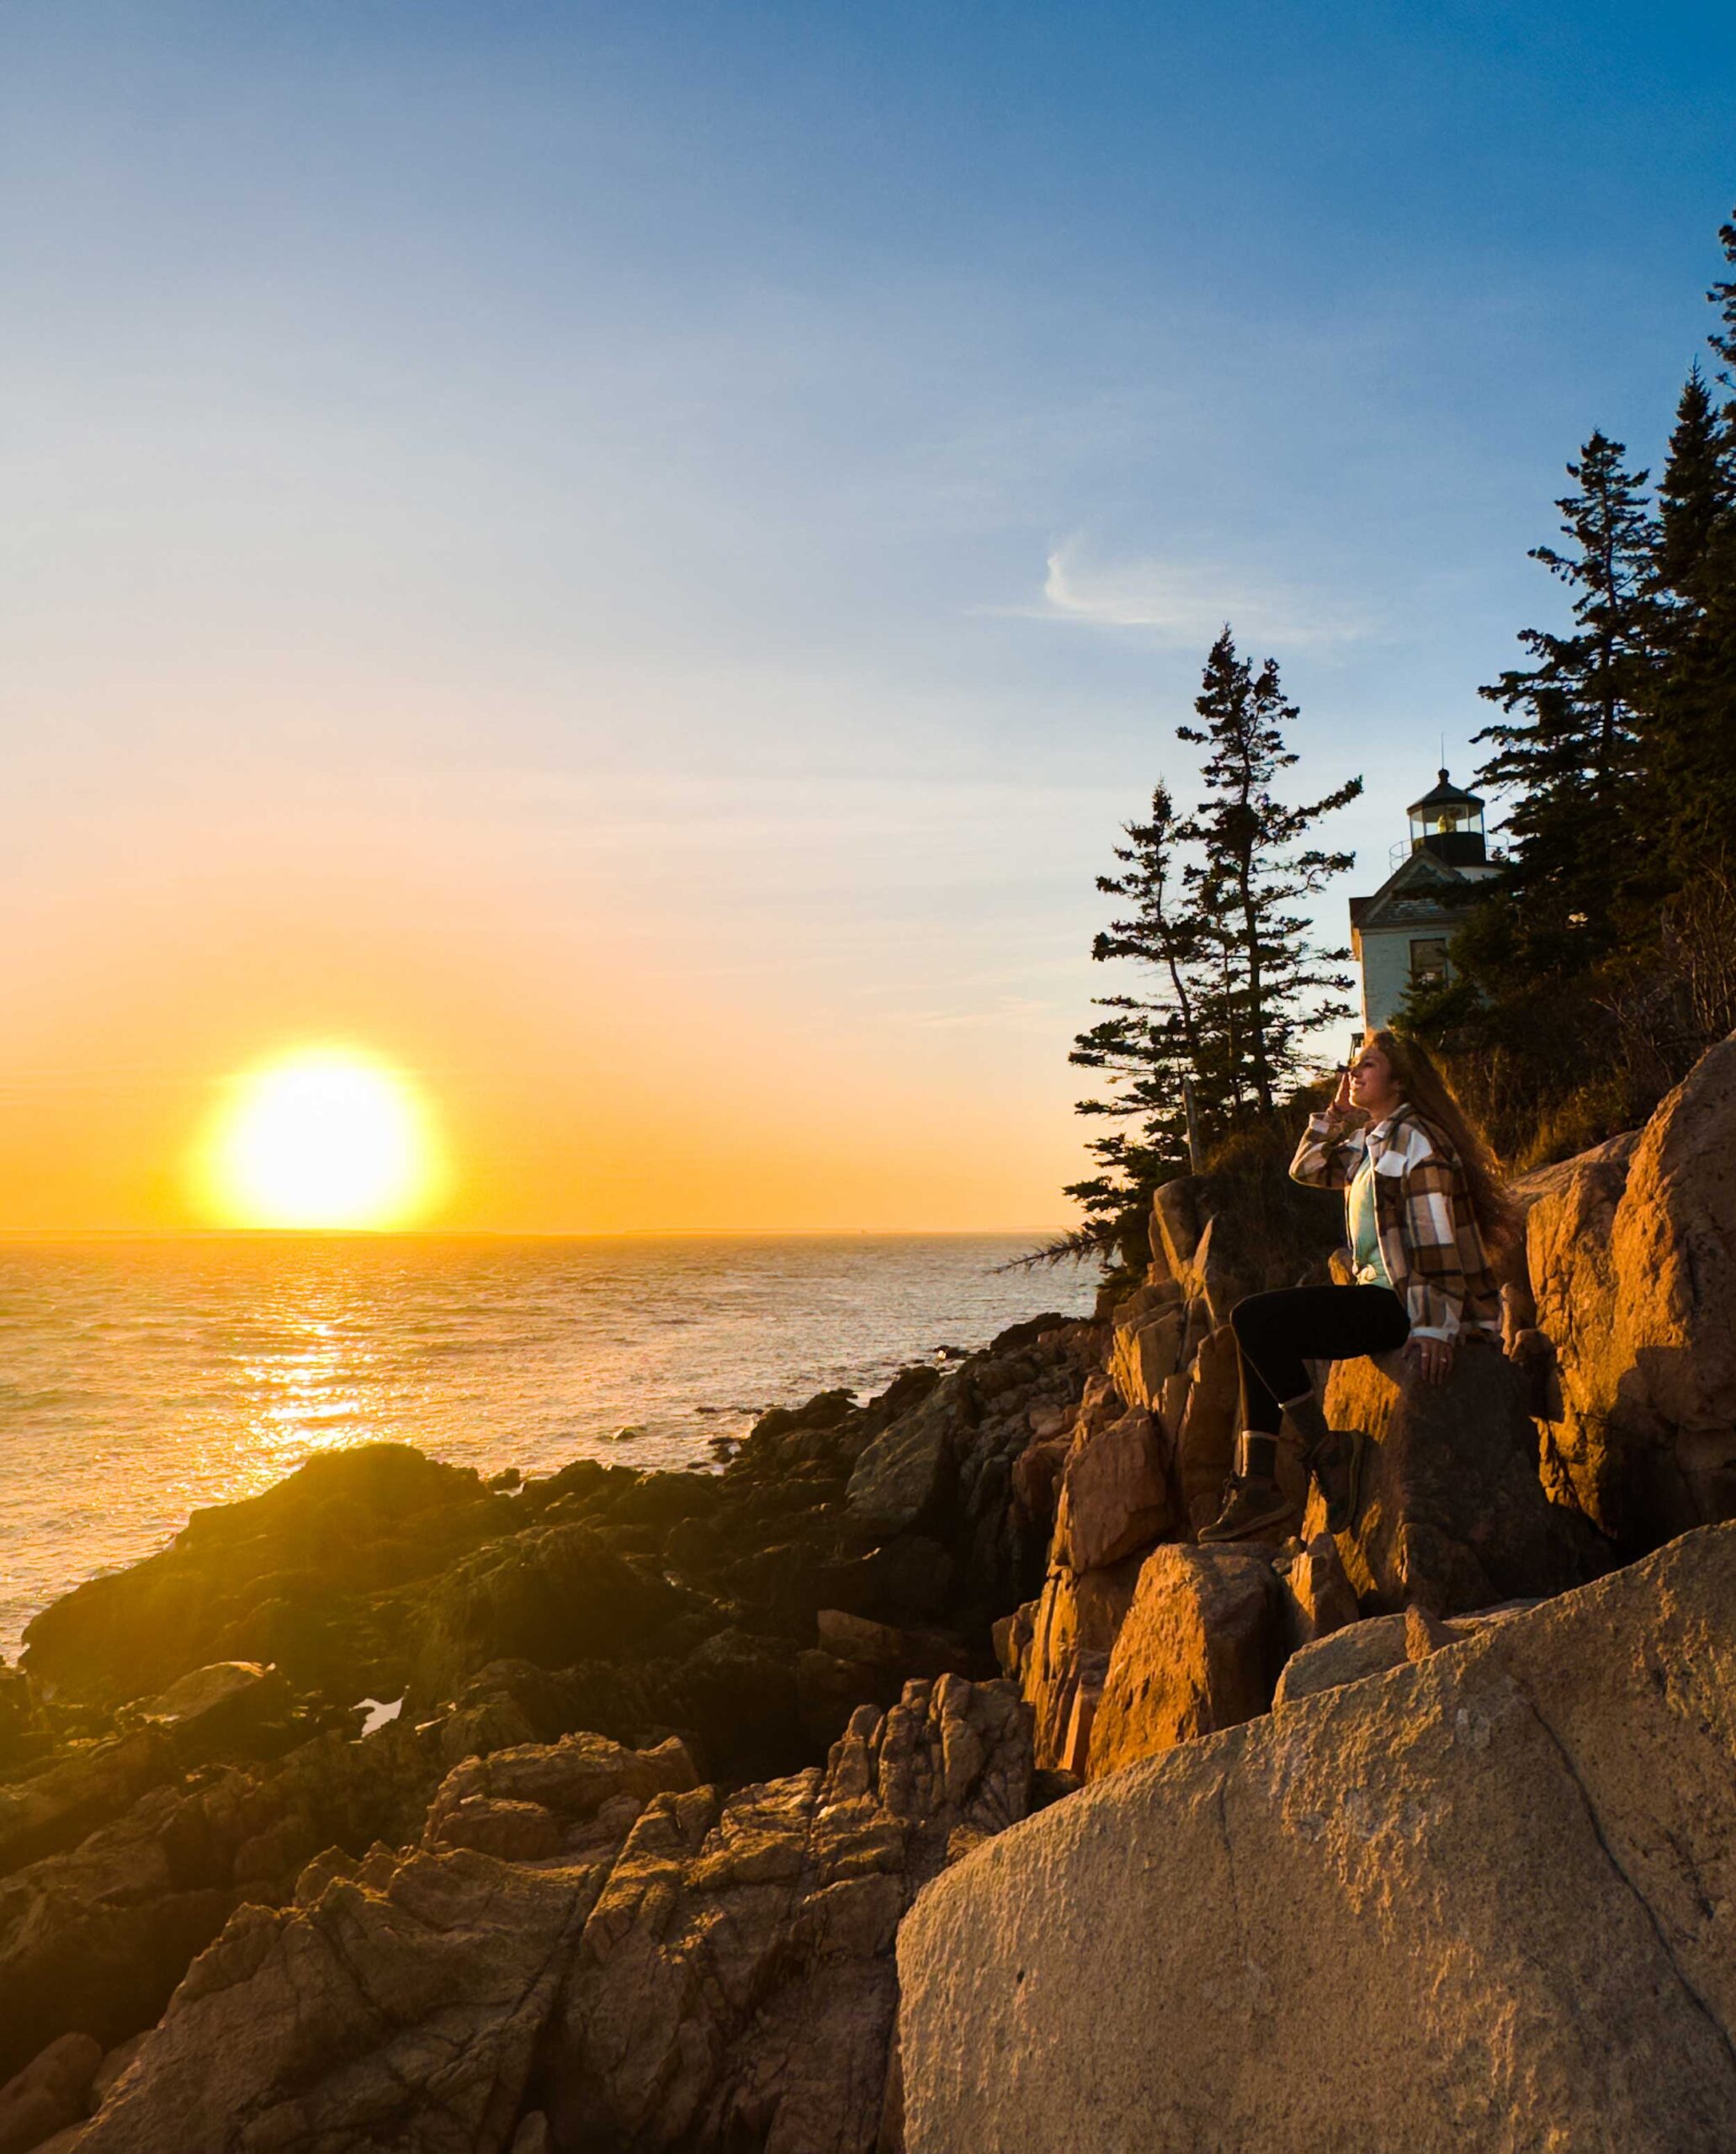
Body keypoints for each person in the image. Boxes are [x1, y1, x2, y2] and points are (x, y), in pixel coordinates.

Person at [1199, 1027, 1514, 1545]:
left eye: (1367, 1065)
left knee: (1254, 1319)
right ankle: (1260, 1484)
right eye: (1353, 1065)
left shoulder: (1418, 1141)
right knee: (1257, 1333)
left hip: (1400, 1305)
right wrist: (1335, 1116)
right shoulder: (1373, 1142)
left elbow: (1436, 1236)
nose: (1353, 1073)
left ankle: (1322, 1453)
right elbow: (1308, 1168)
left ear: (1400, 1080)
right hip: (1378, 1296)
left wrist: (1436, 1327)